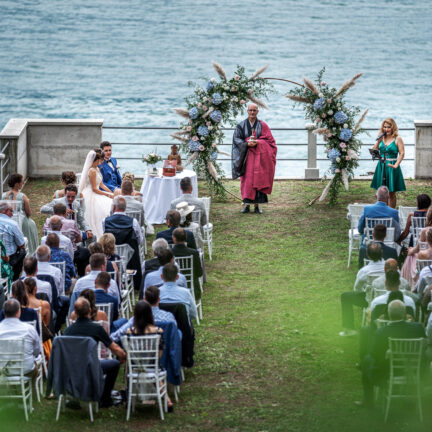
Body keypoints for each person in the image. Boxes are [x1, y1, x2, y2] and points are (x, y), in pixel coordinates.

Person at [359, 300, 425, 408]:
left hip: (389, 371)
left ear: (389, 314)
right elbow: (424, 346)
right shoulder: (417, 328)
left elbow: (374, 355)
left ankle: (368, 400)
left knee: (366, 360)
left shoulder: (382, 332)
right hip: (413, 369)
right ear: (404, 313)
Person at [64, 297, 126, 408]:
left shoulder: (68, 330)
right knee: (114, 364)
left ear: (76, 313)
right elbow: (113, 347)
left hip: (72, 369)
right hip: (91, 367)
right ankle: (105, 398)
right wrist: (123, 354)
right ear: (90, 311)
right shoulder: (96, 328)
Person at [124, 300, 174, 411]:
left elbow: (129, 354)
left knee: (132, 368)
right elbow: (159, 355)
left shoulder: (130, 332)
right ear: (149, 314)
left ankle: (129, 397)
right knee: (152, 368)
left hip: (136, 369)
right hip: (153, 367)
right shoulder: (158, 331)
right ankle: (167, 399)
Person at [232, 103, 277, 214]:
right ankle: (246, 205)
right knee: (246, 180)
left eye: (254, 110)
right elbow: (236, 140)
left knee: (258, 179)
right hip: (246, 157)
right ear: (247, 111)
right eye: (250, 110)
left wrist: (258, 142)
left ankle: (257, 206)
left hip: (260, 158)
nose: (252, 112)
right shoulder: (241, 125)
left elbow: (270, 141)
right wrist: (246, 144)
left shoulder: (263, 125)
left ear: (257, 112)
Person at [339, 243, 385, 336]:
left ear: (368, 255)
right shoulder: (390, 266)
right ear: (382, 252)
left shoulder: (364, 271)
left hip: (369, 300)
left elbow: (357, 288)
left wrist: (366, 290)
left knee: (345, 297)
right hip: (387, 299)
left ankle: (349, 329)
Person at [370, 118, 406, 209]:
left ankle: (391, 213)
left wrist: (396, 164)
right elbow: (374, 150)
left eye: (389, 127)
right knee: (380, 192)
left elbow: (402, 153)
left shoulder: (398, 138)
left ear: (393, 127)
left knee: (391, 193)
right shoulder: (382, 138)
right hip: (381, 166)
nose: (386, 129)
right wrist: (378, 141)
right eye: (385, 127)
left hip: (392, 167)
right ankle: (381, 212)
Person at [78, 149, 114, 238]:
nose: (102, 162)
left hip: (97, 191)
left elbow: (101, 184)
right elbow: (94, 189)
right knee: (101, 211)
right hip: (91, 194)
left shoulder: (97, 168)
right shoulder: (92, 171)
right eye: (101, 160)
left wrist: (110, 192)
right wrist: (107, 194)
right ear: (97, 159)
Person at [0, 299, 40, 376]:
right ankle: (33, 387)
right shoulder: (29, 329)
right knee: (36, 366)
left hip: (4, 370)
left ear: (4, 313)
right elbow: (36, 351)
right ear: (19, 312)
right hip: (26, 370)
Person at [2, 173, 38, 254]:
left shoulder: (3, 195)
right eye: (21, 182)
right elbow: (28, 213)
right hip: (23, 223)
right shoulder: (22, 196)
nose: (22, 184)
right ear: (17, 184)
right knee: (31, 224)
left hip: (6, 223)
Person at [172, 228, 203, 301]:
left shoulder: (170, 253)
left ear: (174, 239)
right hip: (193, 289)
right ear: (185, 238)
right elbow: (199, 273)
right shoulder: (193, 252)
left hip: (175, 290)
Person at [0, 202, 26, 280]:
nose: (12, 214)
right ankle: (14, 279)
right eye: (11, 211)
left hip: (4, 256)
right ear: (5, 211)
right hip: (7, 258)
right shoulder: (12, 224)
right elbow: (22, 244)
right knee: (22, 251)